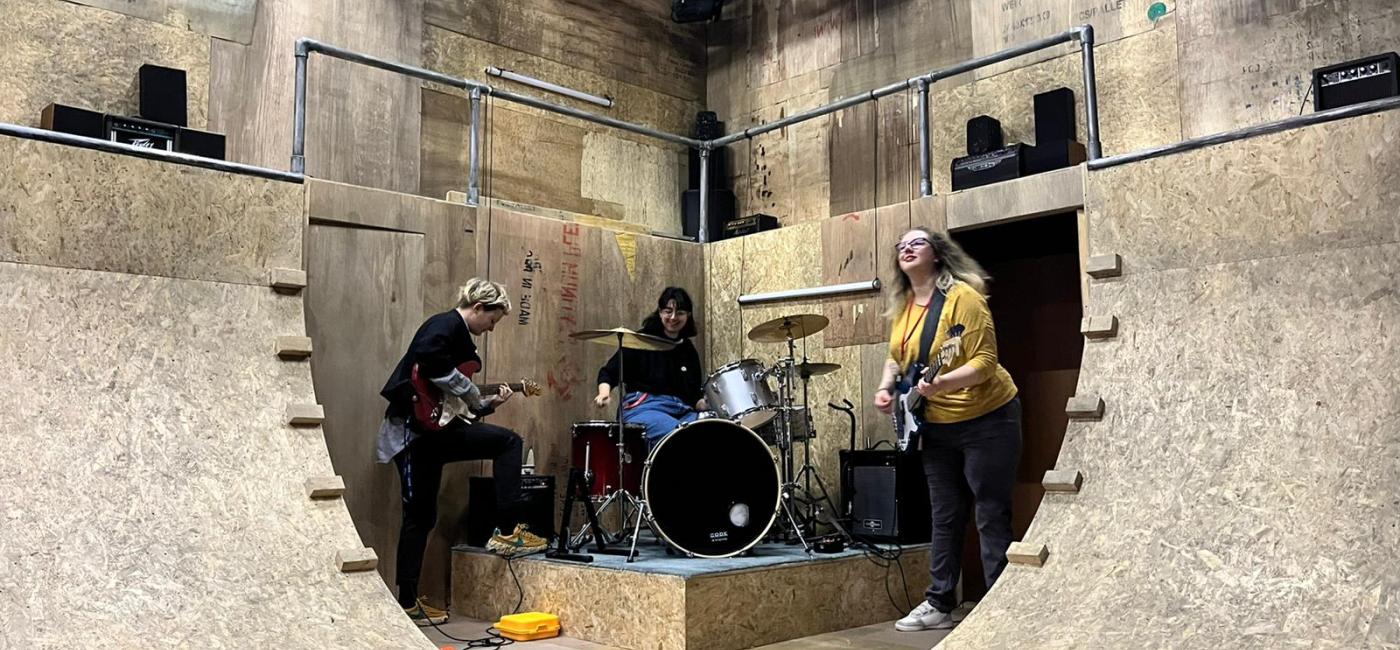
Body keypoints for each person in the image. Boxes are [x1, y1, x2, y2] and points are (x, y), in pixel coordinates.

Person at [873, 229, 1022, 632]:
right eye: (901, 244)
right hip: (936, 426)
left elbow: (986, 361)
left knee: (991, 513)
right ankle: (939, 602)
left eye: (917, 243)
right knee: (945, 515)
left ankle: (997, 606)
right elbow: (896, 357)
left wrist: (942, 384)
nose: (906, 248)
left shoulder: (963, 298)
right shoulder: (905, 305)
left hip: (987, 418)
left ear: (937, 255)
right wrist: (887, 388)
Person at [376, 278, 546, 627]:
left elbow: (454, 404)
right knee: (420, 517)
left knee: (505, 443)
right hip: (413, 436)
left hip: (435, 433)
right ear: (479, 308)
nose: (492, 328)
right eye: (493, 320)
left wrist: (489, 403)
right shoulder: (444, 325)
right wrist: (471, 391)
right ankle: (407, 602)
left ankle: (508, 531)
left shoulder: (459, 340)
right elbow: (429, 361)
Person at [594, 287, 707, 447]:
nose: (673, 317)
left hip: (681, 411)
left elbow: (695, 395)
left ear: (688, 316)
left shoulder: (688, 349)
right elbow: (609, 373)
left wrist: (709, 405)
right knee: (678, 434)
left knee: (711, 431)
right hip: (644, 408)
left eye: (680, 313)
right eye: (668, 311)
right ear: (660, 312)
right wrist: (603, 393)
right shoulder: (640, 341)